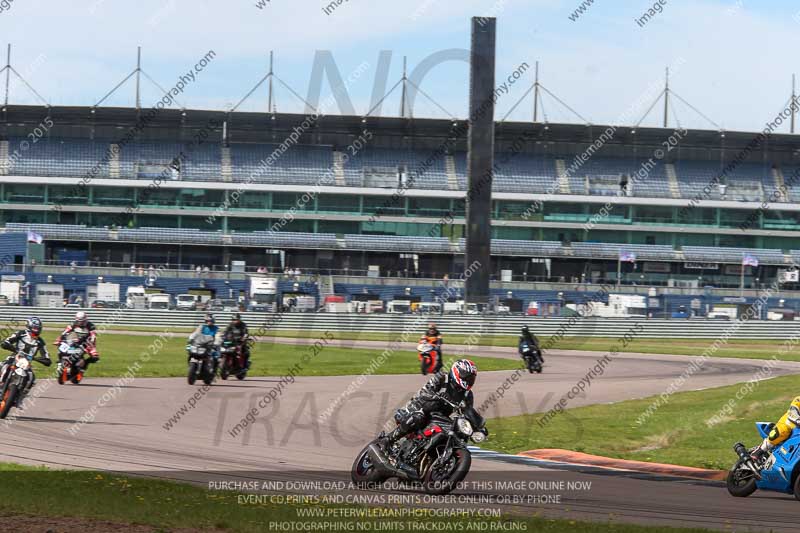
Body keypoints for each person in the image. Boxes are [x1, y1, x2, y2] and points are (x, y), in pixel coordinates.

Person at [383, 359, 478, 447]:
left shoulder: (467, 395)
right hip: (419, 408)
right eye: (466, 376)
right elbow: (424, 392)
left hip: (439, 417)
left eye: (471, 378)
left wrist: (477, 425)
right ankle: (389, 439)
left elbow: (468, 413)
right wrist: (436, 396)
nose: (468, 380)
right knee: (418, 417)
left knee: (457, 433)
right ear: (457, 371)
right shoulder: (442, 378)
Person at [1, 317, 51, 407]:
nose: (36, 330)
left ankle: (20, 398)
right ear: (29, 326)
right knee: (4, 366)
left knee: (32, 378)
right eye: (34, 327)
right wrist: (7, 344)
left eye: (38, 328)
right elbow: (7, 341)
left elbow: (46, 356)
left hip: (26, 363)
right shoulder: (21, 333)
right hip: (15, 357)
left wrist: (44, 360)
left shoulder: (40, 342)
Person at [751, 397, 800, 462]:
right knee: (783, 430)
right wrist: (797, 420)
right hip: (790, 424)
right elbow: (793, 410)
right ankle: (760, 450)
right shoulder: (798, 399)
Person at [55, 311, 100, 378]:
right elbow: (66, 331)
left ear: (85, 320)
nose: (81, 323)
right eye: (79, 321)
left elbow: (93, 335)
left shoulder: (90, 326)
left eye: (82, 321)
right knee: (61, 348)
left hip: (88, 343)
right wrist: (60, 339)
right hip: (75, 341)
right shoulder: (74, 324)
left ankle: (83, 366)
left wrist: (91, 341)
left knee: (95, 357)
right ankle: (60, 363)